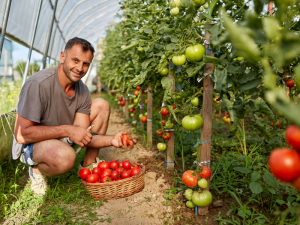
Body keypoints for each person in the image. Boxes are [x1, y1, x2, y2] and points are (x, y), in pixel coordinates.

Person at [12, 37, 136, 196]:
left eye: (85, 64)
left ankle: (88, 167)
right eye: (75, 60)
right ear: (63, 56)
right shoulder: (39, 84)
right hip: (31, 144)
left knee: (101, 104)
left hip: (59, 137)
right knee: (66, 158)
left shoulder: (82, 90)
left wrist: (112, 140)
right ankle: (36, 170)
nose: (80, 68)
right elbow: (22, 135)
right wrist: (68, 130)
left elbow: (83, 134)